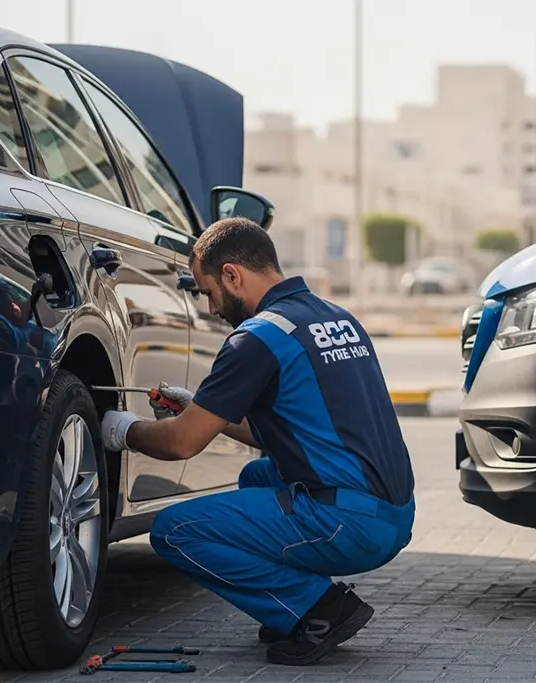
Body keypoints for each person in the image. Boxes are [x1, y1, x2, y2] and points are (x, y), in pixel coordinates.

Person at [99, 217, 416, 666]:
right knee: (256, 475)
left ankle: (318, 608)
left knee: (174, 531)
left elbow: (180, 444)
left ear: (232, 275)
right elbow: (287, 428)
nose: (211, 308)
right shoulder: (335, 318)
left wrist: (121, 429)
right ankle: (290, 605)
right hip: (393, 512)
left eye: (208, 292)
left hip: (350, 524)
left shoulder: (256, 337)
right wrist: (203, 408)